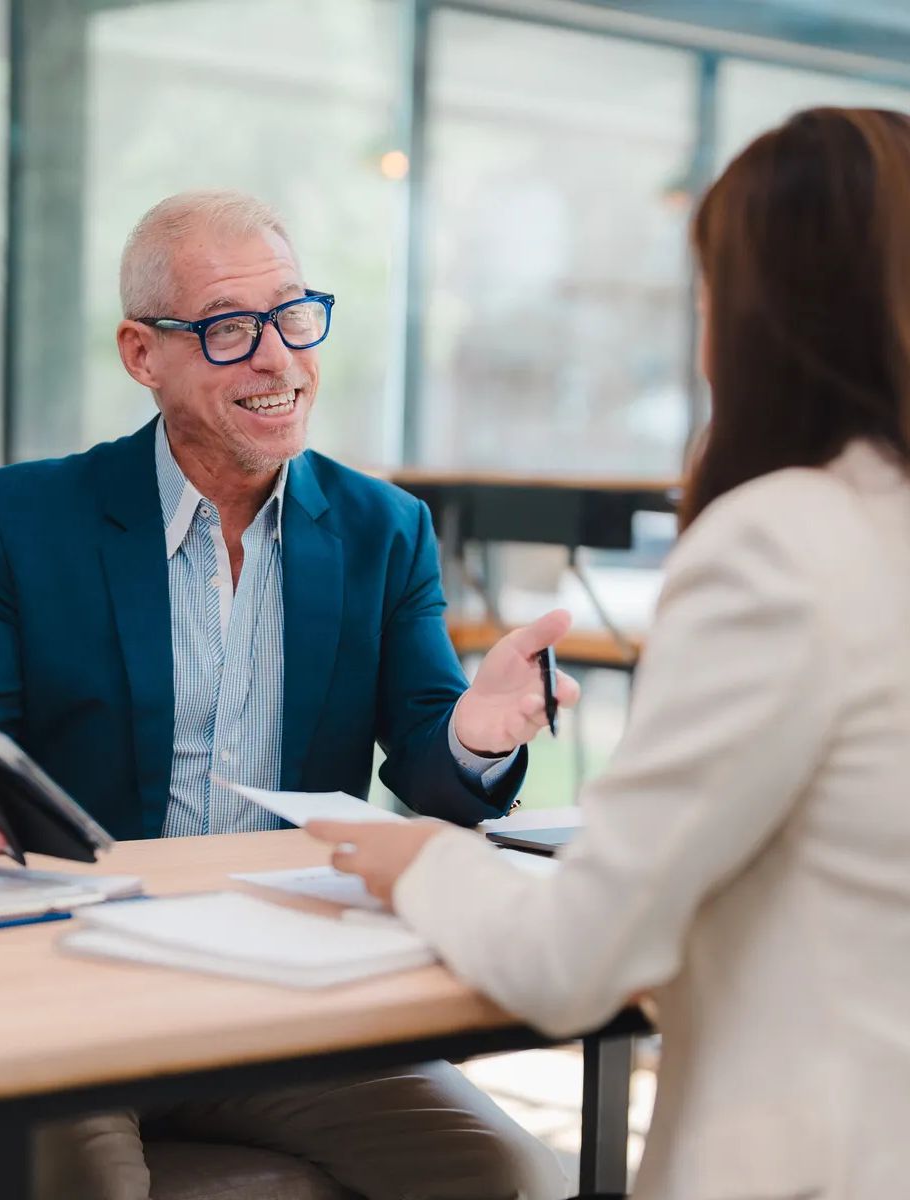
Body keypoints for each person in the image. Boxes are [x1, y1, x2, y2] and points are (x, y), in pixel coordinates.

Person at [0, 190, 577, 1200]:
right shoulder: (23, 520)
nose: (279, 359)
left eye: (294, 316)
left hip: (279, 999)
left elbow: (431, 769)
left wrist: (477, 737)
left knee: (511, 1176)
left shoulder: (383, 531)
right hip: (67, 989)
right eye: (231, 329)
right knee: (83, 1183)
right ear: (143, 354)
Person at [309, 107, 910, 1200]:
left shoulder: (781, 542)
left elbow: (580, 958)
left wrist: (424, 864)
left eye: (706, 298)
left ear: (768, 314)